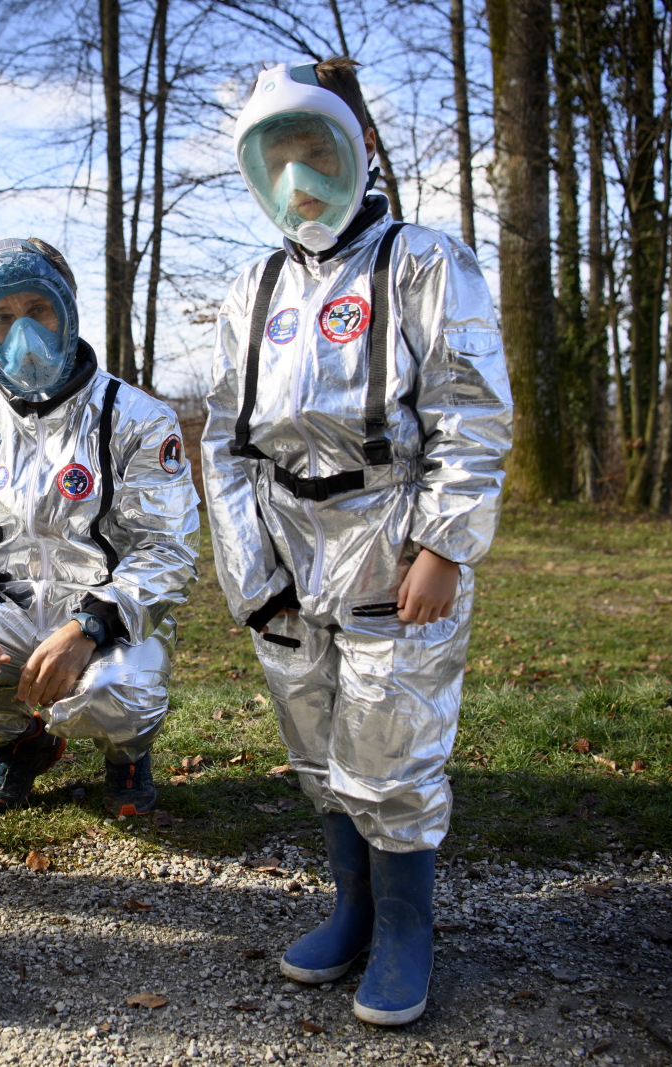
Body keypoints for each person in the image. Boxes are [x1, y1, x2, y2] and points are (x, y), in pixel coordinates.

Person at [203, 59, 512, 1026]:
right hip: (287, 545)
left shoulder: (422, 262)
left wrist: (445, 545)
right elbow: (223, 439)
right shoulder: (250, 289)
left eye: (316, 151)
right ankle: (352, 906)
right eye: (277, 158)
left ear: (360, 148)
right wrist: (251, 568)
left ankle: (406, 928)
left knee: (392, 741)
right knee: (318, 738)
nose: (299, 178)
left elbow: (471, 413)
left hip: (392, 532)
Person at [0, 237, 199, 819]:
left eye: (37, 310)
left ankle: (125, 752)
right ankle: (20, 744)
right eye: (2, 317)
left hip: (104, 614)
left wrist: (89, 625)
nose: (24, 335)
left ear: (67, 309)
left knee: (116, 695)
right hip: (3, 609)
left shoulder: (136, 418)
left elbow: (167, 550)